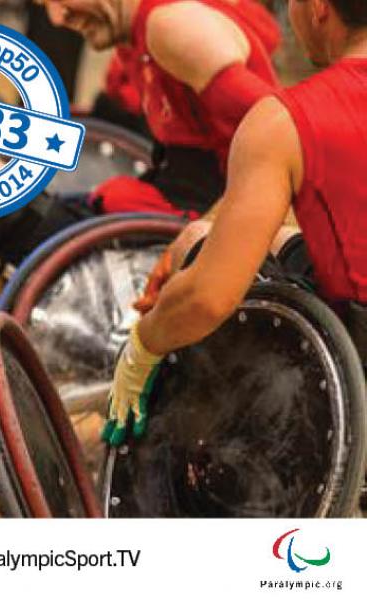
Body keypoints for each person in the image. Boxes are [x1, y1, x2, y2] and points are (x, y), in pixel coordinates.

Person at [103, 0, 367, 445]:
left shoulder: (284, 119)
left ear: (319, 7)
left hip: (355, 364)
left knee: (200, 273)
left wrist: (142, 347)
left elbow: (207, 300)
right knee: (199, 237)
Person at [0, 0, 281, 273]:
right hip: (143, 209)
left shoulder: (171, 26)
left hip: (164, 236)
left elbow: (283, 134)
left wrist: (206, 236)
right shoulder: (135, 32)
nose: (57, 18)